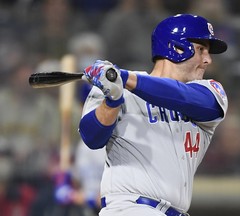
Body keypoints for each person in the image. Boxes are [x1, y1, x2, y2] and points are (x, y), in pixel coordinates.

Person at [79, 14, 228, 216]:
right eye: (201, 49)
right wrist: (113, 100)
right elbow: (91, 137)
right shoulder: (114, 87)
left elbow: (182, 96)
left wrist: (125, 78)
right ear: (176, 48)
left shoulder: (209, 91)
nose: (208, 60)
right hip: (131, 209)